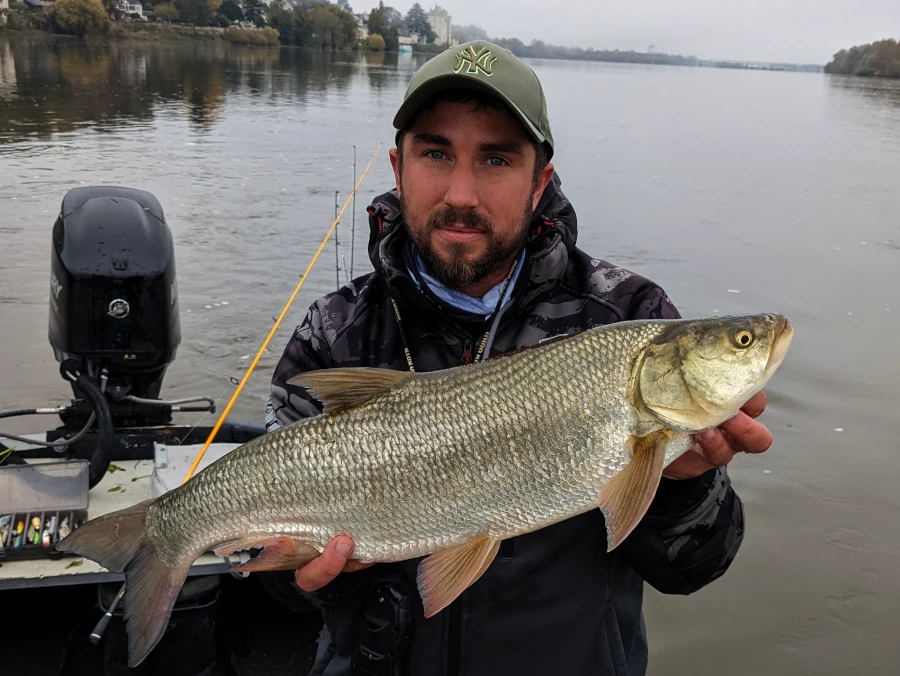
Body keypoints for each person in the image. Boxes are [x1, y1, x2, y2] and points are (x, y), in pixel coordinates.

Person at [262, 40, 773, 676]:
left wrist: (683, 484)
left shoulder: (628, 315)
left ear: (540, 182)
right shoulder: (334, 332)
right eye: (436, 153)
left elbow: (696, 567)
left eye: (496, 159)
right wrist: (315, 576)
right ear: (398, 168)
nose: (461, 193)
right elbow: (274, 590)